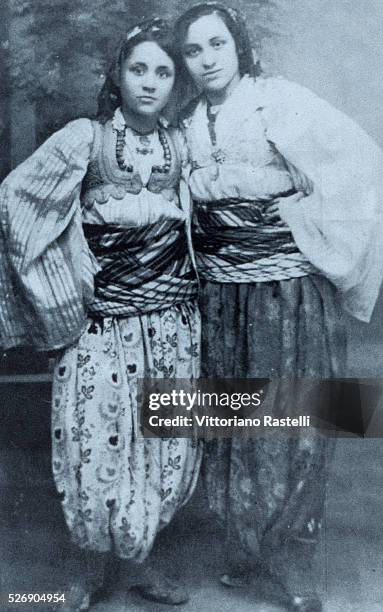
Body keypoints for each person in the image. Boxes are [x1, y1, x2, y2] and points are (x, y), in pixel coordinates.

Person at [174, 3, 383, 611]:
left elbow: (359, 166)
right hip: (220, 295)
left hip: (286, 294)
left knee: (298, 419)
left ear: (238, 45)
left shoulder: (277, 101)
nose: (207, 60)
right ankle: (245, 547)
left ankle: (294, 560)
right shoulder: (187, 121)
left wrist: (296, 220)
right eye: (193, 51)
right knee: (233, 420)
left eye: (217, 44)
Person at [0, 18, 202, 610]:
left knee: (168, 445)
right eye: (138, 69)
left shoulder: (183, 146)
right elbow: (17, 205)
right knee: (96, 440)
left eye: (163, 72)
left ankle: (144, 562)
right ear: (117, 74)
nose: (149, 83)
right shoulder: (83, 139)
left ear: (175, 83)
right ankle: (88, 567)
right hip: (100, 326)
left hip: (172, 326)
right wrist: (65, 282)